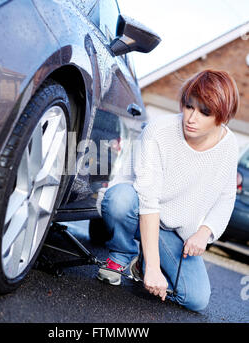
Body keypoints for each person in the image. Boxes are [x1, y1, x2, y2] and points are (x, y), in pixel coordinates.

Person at [95, 69, 240, 312]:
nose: (191, 118)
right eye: (189, 106)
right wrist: (155, 266)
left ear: (222, 118)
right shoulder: (159, 131)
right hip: (137, 209)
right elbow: (148, 201)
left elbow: (226, 198)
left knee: (196, 298)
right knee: (120, 199)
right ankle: (121, 253)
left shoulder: (229, 145)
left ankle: (140, 265)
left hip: (173, 232)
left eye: (204, 112)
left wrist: (205, 232)